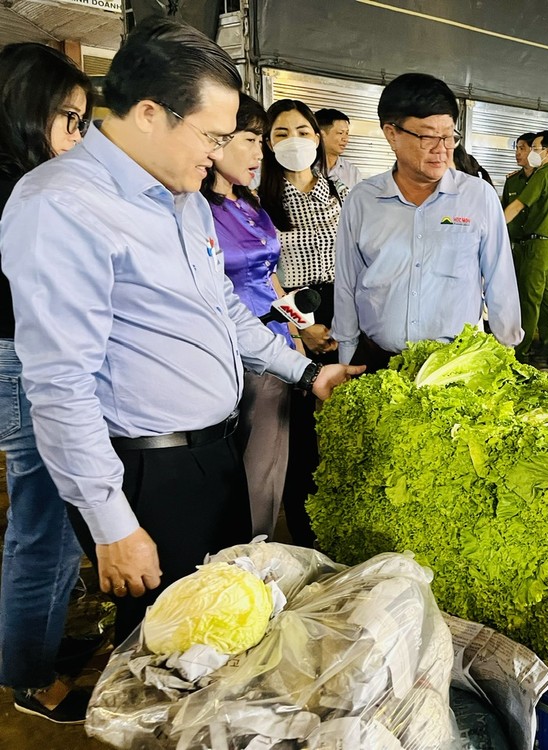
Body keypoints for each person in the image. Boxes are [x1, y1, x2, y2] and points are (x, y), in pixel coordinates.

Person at [0, 17, 364, 651]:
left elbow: (224, 311)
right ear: (148, 113)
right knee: (169, 655)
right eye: (213, 135)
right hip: (147, 469)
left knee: (223, 637)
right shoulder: (61, 204)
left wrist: (308, 372)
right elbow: (60, 383)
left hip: (211, 455)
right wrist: (112, 522)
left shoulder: (184, 197)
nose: (219, 152)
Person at [0, 42, 94, 725]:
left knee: (49, 522)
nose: (81, 136)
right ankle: (29, 677)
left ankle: (30, 643)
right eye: (70, 119)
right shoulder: (23, 192)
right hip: (27, 363)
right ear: (26, 114)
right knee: (46, 526)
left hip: (25, 359)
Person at [332, 72, 522, 372]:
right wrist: (345, 356)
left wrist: (505, 353)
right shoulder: (362, 201)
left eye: (448, 136)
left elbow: (501, 281)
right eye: (428, 136)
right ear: (392, 133)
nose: (442, 148)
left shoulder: (478, 196)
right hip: (380, 362)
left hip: (457, 367)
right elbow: (347, 283)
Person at [201, 92, 297, 540]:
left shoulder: (253, 205)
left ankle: (254, 561)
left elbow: (270, 279)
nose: (260, 151)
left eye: (262, 140)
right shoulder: (196, 211)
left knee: (266, 468)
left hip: (272, 344)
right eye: (250, 137)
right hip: (224, 352)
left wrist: (296, 330)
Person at [258, 99, 348, 548]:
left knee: (343, 418)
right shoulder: (260, 200)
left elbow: (354, 260)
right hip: (291, 314)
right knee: (299, 431)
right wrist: (300, 328)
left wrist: (347, 322)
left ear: (317, 137)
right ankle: (303, 529)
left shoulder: (339, 193)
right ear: (267, 143)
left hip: (341, 310)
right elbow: (264, 277)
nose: (294, 141)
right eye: (281, 133)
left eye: (302, 131)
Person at [503, 130, 548, 365]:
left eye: (535, 148)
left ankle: (520, 352)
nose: (531, 153)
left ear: (547, 152)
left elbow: (518, 205)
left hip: (537, 247)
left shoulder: (542, 175)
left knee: (529, 302)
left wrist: (492, 227)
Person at [501, 132, 536, 249]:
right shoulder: (512, 181)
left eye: (522, 148)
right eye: (516, 148)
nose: (517, 153)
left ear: (533, 150)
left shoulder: (541, 180)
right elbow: (504, 211)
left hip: (534, 246)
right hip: (514, 246)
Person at [315, 107, 361, 189]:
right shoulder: (306, 168)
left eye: (347, 133)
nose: (346, 139)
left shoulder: (352, 173)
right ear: (322, 135)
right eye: (340, 133)